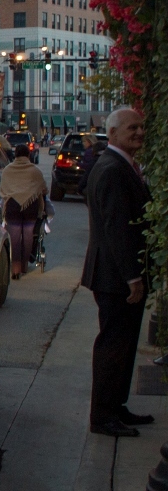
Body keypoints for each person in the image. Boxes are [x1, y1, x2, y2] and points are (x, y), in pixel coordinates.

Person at [81, 107, 153, 438]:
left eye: (141, 127)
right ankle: (103, 417)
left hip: (118, 275)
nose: (139, 132)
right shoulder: (111, 169)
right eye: (131, 128)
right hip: (116, 278)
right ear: (112, 134)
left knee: (124, 345)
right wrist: (132, 277)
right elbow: (117, 228)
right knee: (112, 346)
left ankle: (116, 407)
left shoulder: (121, 165)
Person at [0, 143, 48, 279]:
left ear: (15, 155)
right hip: (31, 206)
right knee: (28, 236)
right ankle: (24, 266)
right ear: (28, 155)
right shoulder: (34, 170)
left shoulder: (7, 170)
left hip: (12, 206)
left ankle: (15, 269)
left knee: (14, 238)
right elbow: (43, 188)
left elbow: (3, 189)